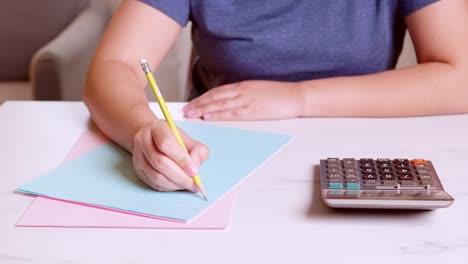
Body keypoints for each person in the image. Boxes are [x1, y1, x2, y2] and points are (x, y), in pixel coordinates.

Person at [83, 0, 468, 193]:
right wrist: (142, 130)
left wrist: (298, 98)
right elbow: (114, 65)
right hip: (217, 156)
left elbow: (460, 77)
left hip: (358, 152)